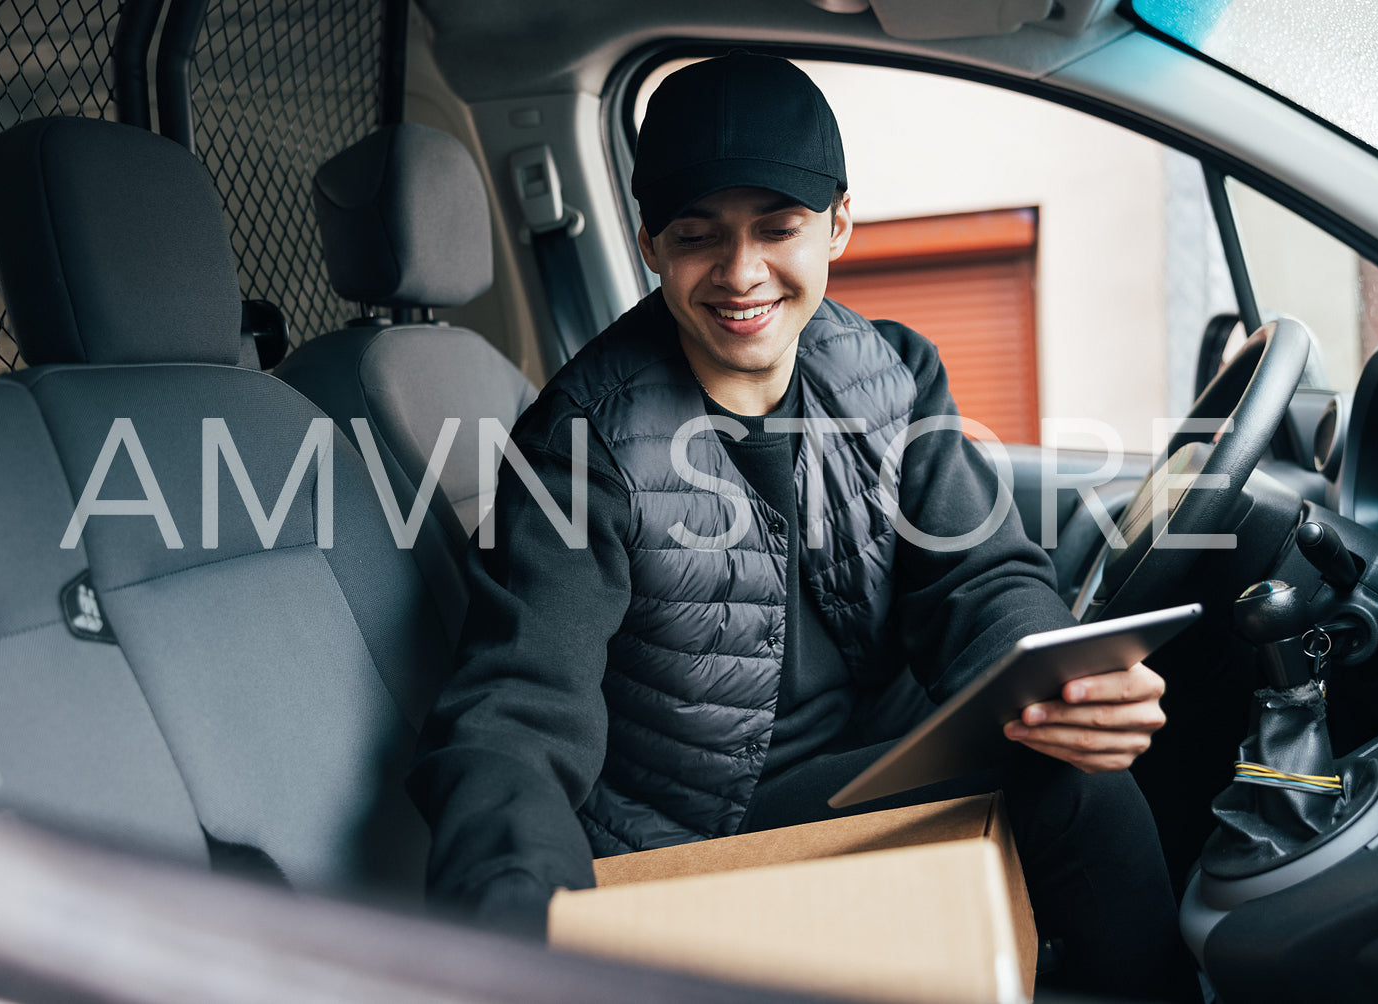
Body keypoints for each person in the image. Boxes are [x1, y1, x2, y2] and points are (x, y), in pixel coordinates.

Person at [412, 51, 1196, 1001]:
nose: (741, 275)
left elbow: (977, 577)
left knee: (1078, 753)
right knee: (1074, 793)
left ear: (839, 224)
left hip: (883, 755)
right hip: (708, 825)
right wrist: (509, 933)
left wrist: (1058, 684)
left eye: (777, 228)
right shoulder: (582, 448)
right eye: (697, 236)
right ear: (649, 240)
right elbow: (514, 712)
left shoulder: (890, 371)